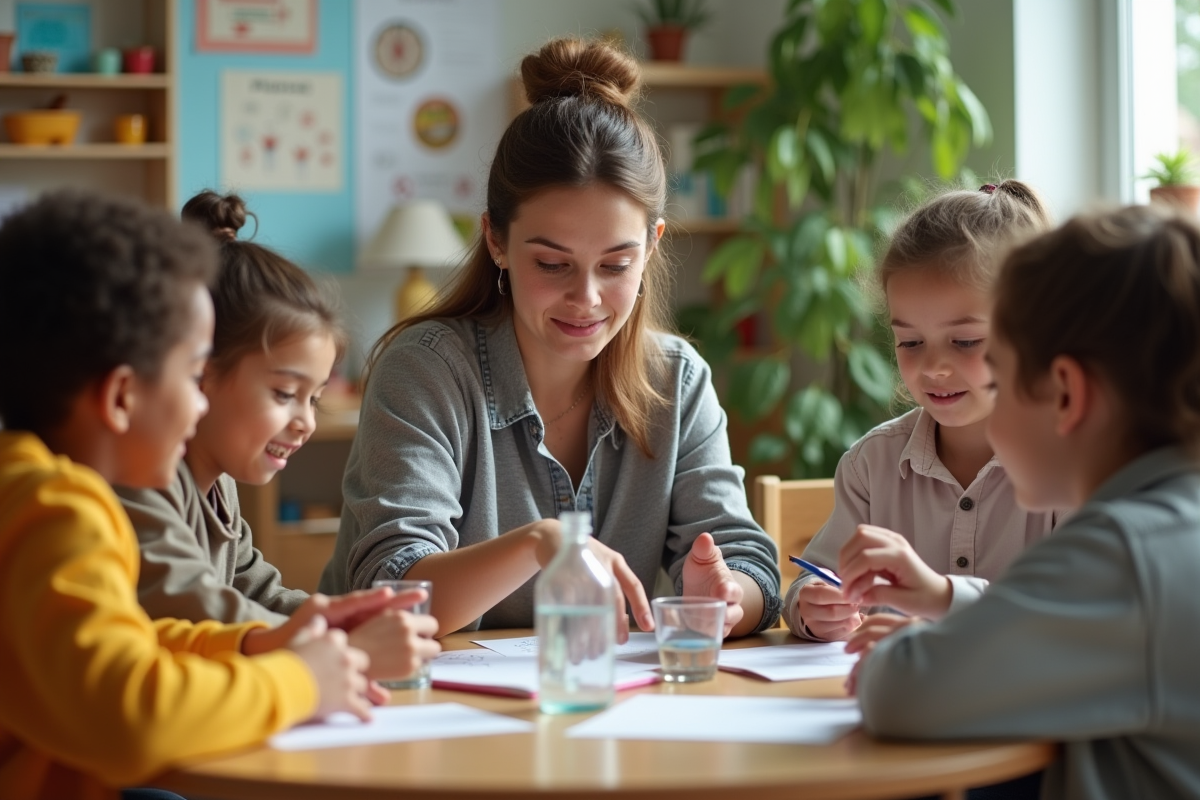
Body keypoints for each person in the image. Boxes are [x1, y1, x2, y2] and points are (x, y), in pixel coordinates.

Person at [320, 37, 781, 639]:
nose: (586, 298)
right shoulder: (426, 369)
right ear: (496, 241)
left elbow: (748, 563)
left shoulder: (677, 379)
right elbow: (394, 590)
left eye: (616, 265)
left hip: (591, 701)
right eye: (552, 264)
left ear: (653, 246)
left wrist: (728, 595)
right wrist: (543, 544)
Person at [0, 189, 381, 800]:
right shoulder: (59, 513)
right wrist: (299, 682)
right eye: (191, 377)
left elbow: (137, 639)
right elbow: (132, 717)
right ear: (123, 397)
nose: (200, 403)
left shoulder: (31, 489)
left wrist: (263, 641)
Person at [848, 203, 1200, 799]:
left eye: (1002, 381)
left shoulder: (1123, 551)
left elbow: (901, 692)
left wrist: (909, 641)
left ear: (1066, 393)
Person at [116, 190, 440, 685]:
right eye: (284, 393)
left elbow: (257, 589)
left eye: (314, 400)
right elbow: (193, 602)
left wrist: (340, 616)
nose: (305, 421)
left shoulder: (217, 484)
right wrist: (334, 643)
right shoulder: (141, 476)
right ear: (200, 372)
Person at [785, 181, 1057, 641]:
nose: (933, 367)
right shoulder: (871, 465)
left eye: (965, 341)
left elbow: (1083, 613)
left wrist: (941, 594)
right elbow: (818, 580)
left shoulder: (1071, 464)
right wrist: (813, 606)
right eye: (910, 343)